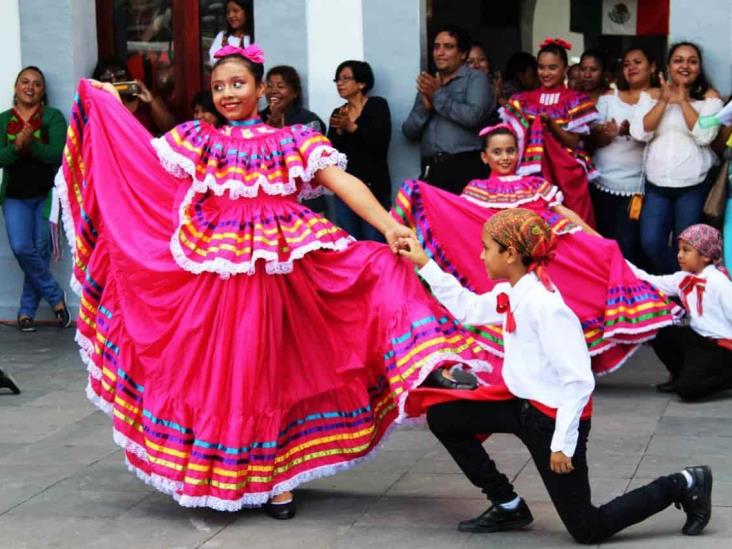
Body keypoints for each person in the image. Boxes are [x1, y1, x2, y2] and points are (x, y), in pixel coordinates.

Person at [57, 43, 494, 518]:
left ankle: (287, 471)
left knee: (298, 346)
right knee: (234, 372)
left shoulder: (293, 140)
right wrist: (107, 104)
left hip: (287, 268)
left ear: (262, 89)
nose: (227, 93)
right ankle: (237, 472)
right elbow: (140, 158)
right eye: (219, 85)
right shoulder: (199, 139)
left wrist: (389, 226)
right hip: (220, 274)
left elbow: (342, 182)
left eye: (238, 83)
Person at [398, 208, 714, 543]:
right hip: (519, 404)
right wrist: (424, 262)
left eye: (487, 247)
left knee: (587, 528)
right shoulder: (513, 291)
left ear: (510, 254)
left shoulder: (546, 307)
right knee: (443, 416)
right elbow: (468, 309)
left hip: (553, 419)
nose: (481, 255)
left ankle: (683, 483)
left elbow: (578, 381)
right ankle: (507, 504)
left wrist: (562, 443)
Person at [392, 123, 677, 376]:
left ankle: (563, 363)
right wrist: (423, 197)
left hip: (547, 261)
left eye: (510, 150)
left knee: (567, 303)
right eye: (497, 152)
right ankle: (521, 368)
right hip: (504, 265)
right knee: (505, 312)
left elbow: (564, 215)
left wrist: (598, 240)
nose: (505, 157)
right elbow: (462, 221)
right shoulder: (476, 190)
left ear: (519, 152)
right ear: (484, 156)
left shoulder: (536, 185)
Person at [630, 42, 722, 274]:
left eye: (692, 61)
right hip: (657, 187)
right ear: (668, 66)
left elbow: (705, 135)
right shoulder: (650, 96)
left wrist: (682, 101)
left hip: (693, 188)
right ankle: (676, 283)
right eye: (678, 60)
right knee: (651, 242)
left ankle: (683, 293)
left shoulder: (710, 99)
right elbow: (640, 132)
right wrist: (663, 100)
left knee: (689, 248)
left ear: (699, 69)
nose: (685, 65)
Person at [0, 66, 70, 332]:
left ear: (43, 91)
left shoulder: (52, 117)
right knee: (21, 247)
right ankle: (55, 297)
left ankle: (26, 312)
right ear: (16, 87)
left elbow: (58, 155)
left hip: (47, 196)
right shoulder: (4, 120)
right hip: (15, 197)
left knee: (39, 252)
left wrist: (32, 145)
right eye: (25, 82)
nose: (30, 87)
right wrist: (16, 147)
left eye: (37, 84)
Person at [501, 38, 599, 225]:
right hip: (533, 173)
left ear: (565, 69)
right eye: (541, 67)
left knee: (575, 224)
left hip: (567, 173)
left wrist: (551, 124)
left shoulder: (576, 100)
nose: (545, 73)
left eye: (552, 68)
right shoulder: (522, 100)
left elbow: (572, 142)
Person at [629, 224, 732, 400]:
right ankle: (679, 373)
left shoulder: (719, 282)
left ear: (706, 256)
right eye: (679, 250)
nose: (679, 255)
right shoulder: (683, 278)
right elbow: (647, 280)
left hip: (721, 348)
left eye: (686, 250)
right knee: (659, 327)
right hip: (699, 339)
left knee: (688, 390)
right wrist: (615, 257)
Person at [402, 25, 492, 195]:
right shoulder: (430, 83)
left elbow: (473, 116)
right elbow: (409, 131)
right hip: (432, 168)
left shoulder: (475, 78)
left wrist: (437, 96)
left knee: (464, 220)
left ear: (463, 54)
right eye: (436, 47)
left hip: (466, 165)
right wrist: (426, 110)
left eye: (448, 47)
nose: (439, 52)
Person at [591, 46, 658, 264]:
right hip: (603, 182)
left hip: (638, 187)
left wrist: (634, 130)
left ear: (653, 66)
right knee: (604, 241)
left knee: (629, 246)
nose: (631, 68)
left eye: (637, 62)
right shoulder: (609, 97)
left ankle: (630, 292)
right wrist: (607, 135)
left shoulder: (658, 99)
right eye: (626, 64)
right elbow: (592, 140)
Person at [328, 60, 391, 241]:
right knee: (350, 242)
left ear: (362, 83)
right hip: (345, 188)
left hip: (373, 187)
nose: (340, 83)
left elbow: (380, 143)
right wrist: (339, 131)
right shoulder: (338, 112)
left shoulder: (377, 105)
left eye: (346, 79)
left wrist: (351, 127)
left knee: (375, 240)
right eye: (337, 80)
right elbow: (330, 152)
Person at [260, 65, 327, 213]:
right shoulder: (257, 119)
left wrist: (279, 129)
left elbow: (311, 163)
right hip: (267, 199)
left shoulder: (308, 120)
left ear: (295, 93)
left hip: (306, 200)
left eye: (280, 86)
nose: (273, 91)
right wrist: (269, 126)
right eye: (269, 86)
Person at [93, 59, 176, 135]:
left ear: (127, 77)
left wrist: (152, 102)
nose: (114, 81)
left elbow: (171, 129)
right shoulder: (100, 107)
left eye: (119, 75)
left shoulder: (143, 101)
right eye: (107, 78)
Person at [208, 0, 252, 65]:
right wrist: (225, 52)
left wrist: (242, 53)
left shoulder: (253, 38)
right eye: (228, 12)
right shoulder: (222, 36)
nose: (231, 15)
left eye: (236, 11)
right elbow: (213, 62)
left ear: (247, 12)